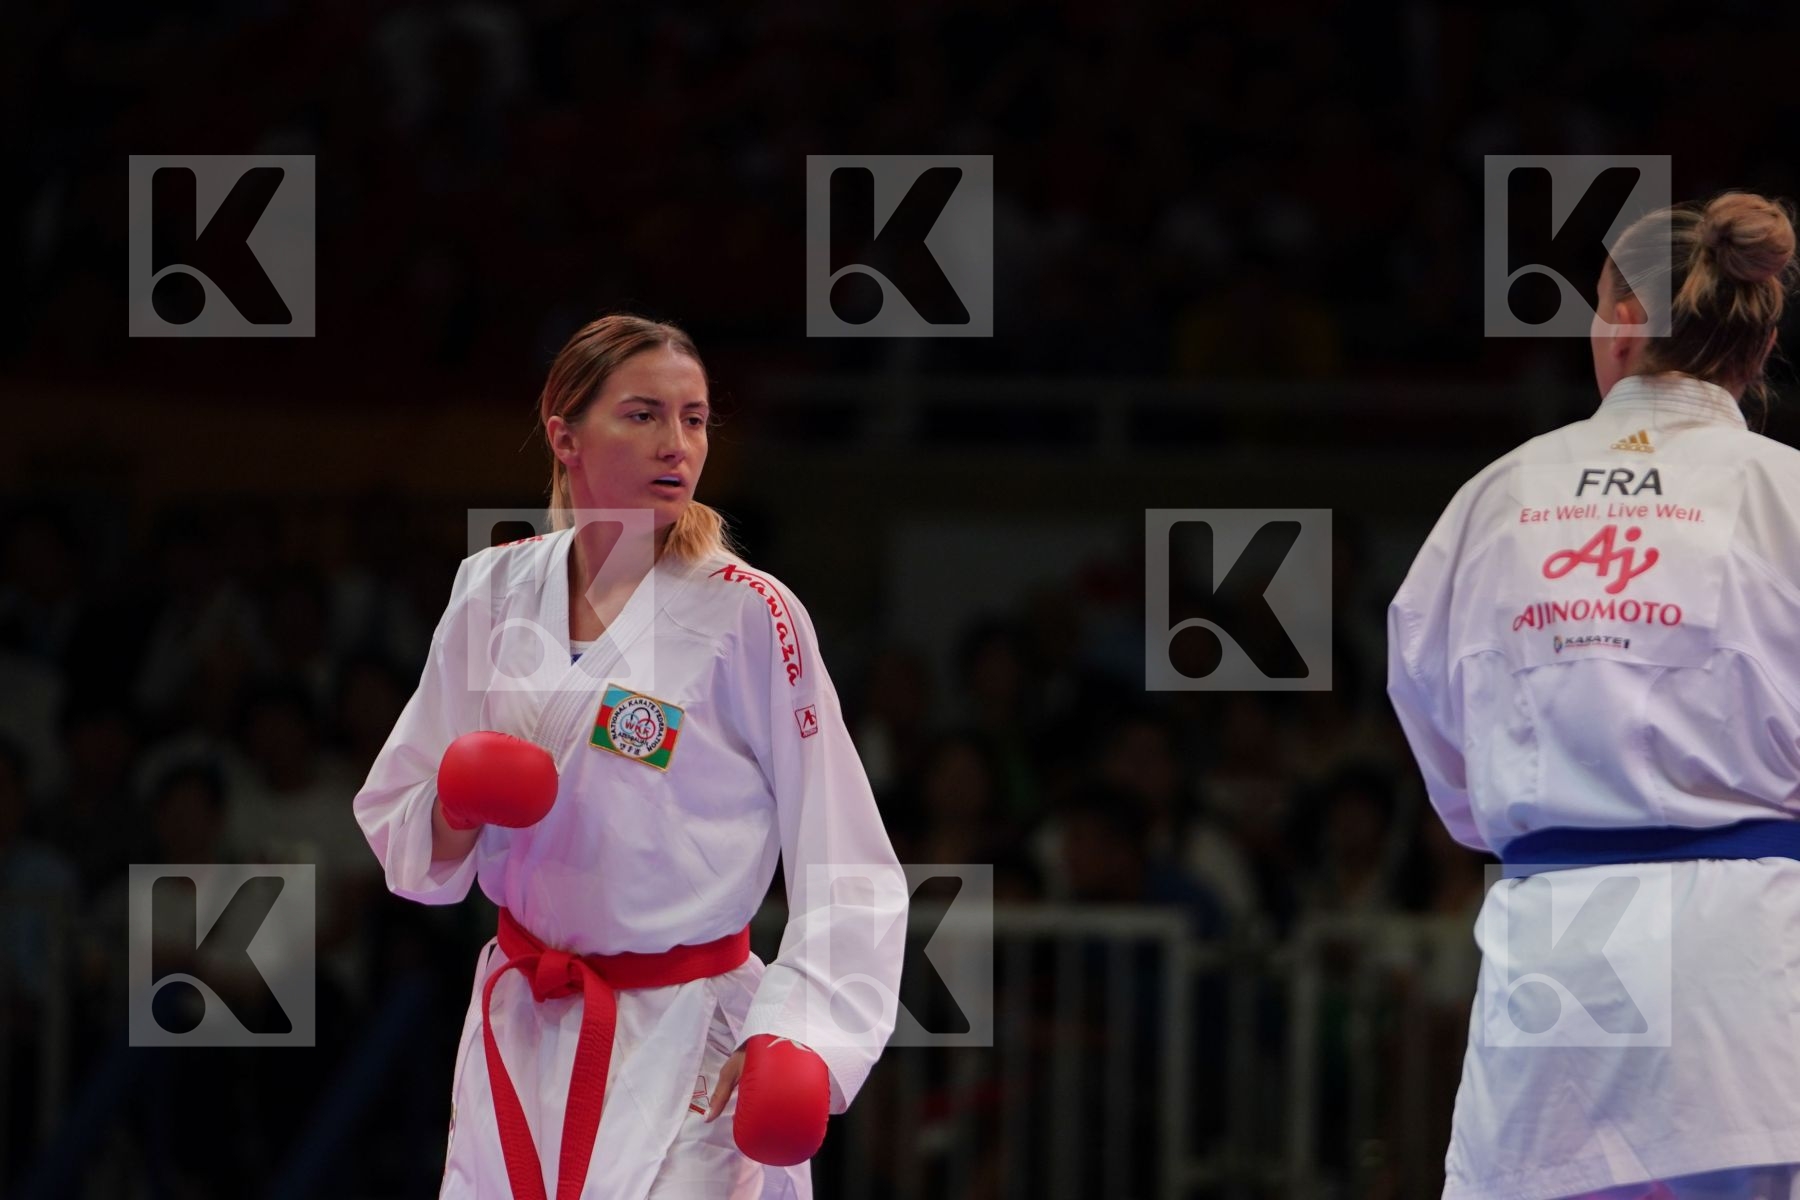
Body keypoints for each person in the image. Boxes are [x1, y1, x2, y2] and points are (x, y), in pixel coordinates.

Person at [353, 313, 909, 1199]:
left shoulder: (749, 613)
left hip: (688, 1040)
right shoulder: (493, 588)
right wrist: (453, 804)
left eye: (694, 419)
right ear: (565, 436)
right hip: (522, 1023)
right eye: (643, 415)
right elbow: (406, 833)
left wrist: (803, 1032)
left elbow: (843, 848)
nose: (676, 444)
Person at [1388, 190, 1800, 1200]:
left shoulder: (1496, 498)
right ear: (1759, 344)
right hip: (1747, 961)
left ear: (1619, 322)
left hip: (1557, 945)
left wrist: (1546, 807)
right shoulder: (1786, 493)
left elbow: (1439, 736)